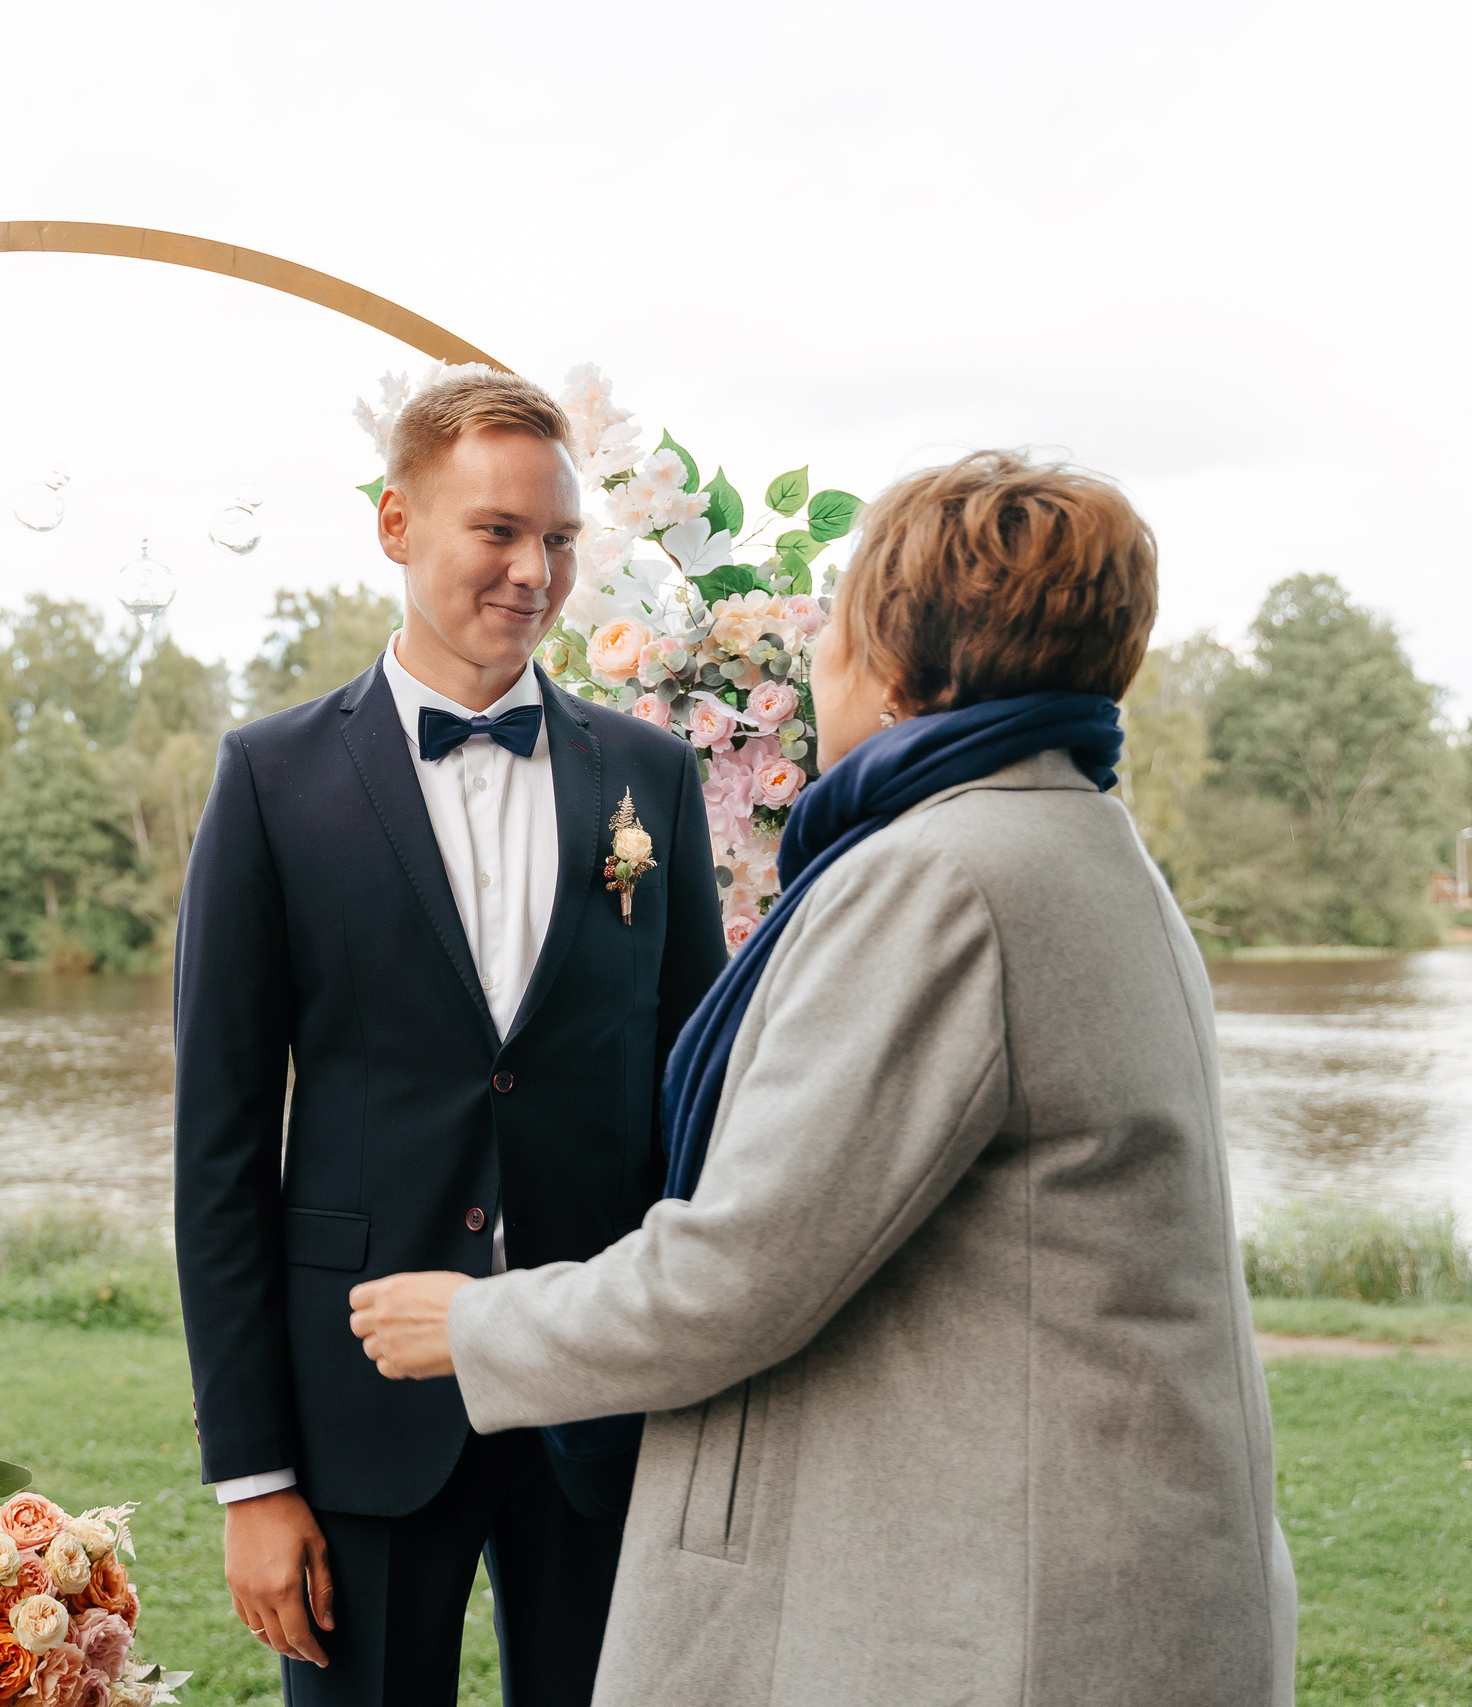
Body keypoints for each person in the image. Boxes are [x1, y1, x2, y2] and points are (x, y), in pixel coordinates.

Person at [348, 452, 1300, 1706]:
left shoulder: (941, 876)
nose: (812, 667)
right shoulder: (1072, 835)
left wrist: (471, 1323)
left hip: (1007, 1613)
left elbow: (738, 1273)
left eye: (835, 630)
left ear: (897, 671)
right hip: (1083, 1566)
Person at [172, 369, 727, 1704]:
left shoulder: (649, 776)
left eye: (561, 538)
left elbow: (706, 1094)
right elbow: (223, 1148)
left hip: (600, 1395)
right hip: (363, 1403)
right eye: (498, 531)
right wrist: (255, 1477)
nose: (536, 569)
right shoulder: (272, 779)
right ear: (397, 524)